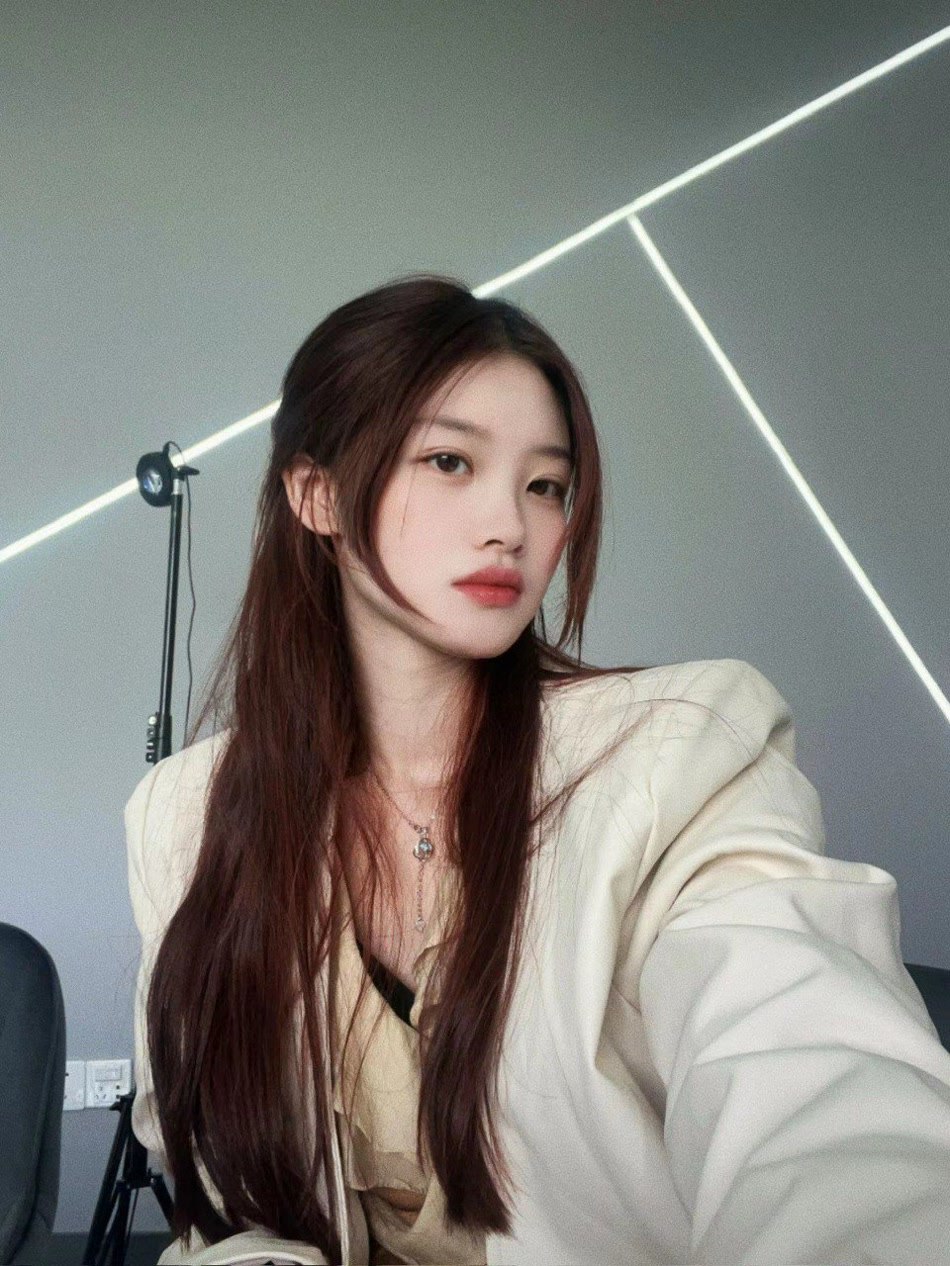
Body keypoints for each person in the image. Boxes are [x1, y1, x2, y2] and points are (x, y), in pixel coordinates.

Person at [124, 274, 950, 1266]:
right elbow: (227, 1197)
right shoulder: (185, 812)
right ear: (317, 495)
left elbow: (806, 1068)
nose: (509, 526)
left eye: (545, 485)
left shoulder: (678, 752)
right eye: (449, 461)